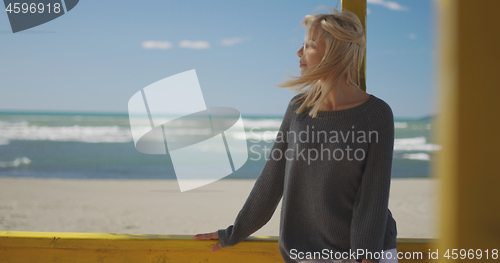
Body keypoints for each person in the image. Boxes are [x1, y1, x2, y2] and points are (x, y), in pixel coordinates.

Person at [193, 7, 398, 263]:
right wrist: (235, 232)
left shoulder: (377, 114)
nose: (300, 53)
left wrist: (364, 258)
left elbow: (373, 198)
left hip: (368, 253)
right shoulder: (298, 109)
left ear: (335, 53)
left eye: (310, 45)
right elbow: (271, 180)